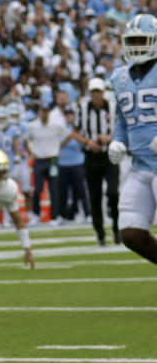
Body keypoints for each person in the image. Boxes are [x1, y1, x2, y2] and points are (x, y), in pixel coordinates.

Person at [108, 14, 157, 264]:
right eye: (133, 40)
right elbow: (122, 119)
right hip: (139, 166)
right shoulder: (120, 77)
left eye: (142, 40)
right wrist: (118, 141)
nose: (137, 46)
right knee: (130, 233)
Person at [75, 77, 119, 245]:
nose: (96, 95)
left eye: (98, 92)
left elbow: (122, 129)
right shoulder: (82, 108)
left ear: (103, 92)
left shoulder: (114, 108)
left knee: (113, 193)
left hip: (110, 156)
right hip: (91, 157)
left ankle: (116, 229)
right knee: (94, 197)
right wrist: (88, 142)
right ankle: (100, 234)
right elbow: (75, 132)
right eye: (93, 92)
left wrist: (109, 138)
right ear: (89, 92)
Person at [24, 101, 69, 223]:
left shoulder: (56, 125)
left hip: (52, 160)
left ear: (49, 112)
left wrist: (59, 147)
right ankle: (35, 214)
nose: (44, 113)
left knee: (54, 189)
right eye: (42, 111)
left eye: (46, 111)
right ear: (39, 112)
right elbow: (25, 140)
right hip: (38, 160)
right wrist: (31, 152)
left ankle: (54, 217)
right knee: (37, 189)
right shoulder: (32, 126)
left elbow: (68, 135)